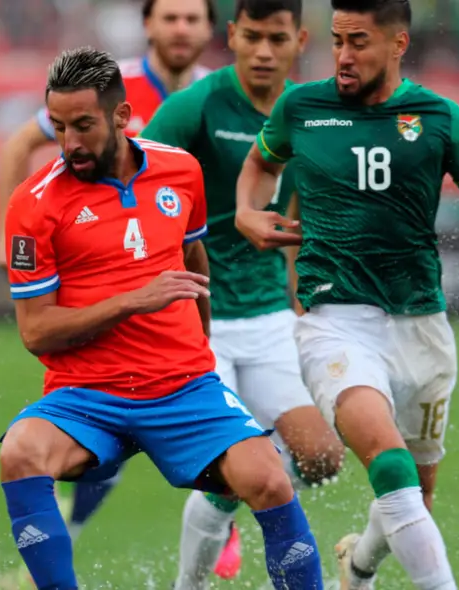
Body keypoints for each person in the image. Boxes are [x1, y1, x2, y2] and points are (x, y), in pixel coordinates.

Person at [234, 1, 459, 588]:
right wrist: (246, 212)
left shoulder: (437, 117)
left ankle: (359, 564)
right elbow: (259, 164)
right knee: (390, 468)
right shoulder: (302, 107)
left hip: (420, 324)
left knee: (416, 494)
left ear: (397, 44)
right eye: (338, 41)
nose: (343, 56)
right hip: (334, 322)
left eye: (358, 42)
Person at [0, 47, 325, 590]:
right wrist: (131, 301)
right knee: (20, 452)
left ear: (121, 117)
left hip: (182, 388)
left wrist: (199, 357)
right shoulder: (33, 204)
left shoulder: (180, 171)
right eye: (57, 127)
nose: (70, 143)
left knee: (269, 478)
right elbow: (35, 331)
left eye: (83, 125)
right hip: (87, 394)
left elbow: (194, 263)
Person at [139, 0, 344, 587]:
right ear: (230, 36)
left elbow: (300, 223)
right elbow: (135, 185)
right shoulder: (195, 108)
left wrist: (309, 304)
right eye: (251, 36)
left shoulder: (312, 115)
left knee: (322, 459)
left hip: (270, 319)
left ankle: (229, 506)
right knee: (233, 472)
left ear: (299, 40)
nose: (263, 50)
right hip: (201, 326)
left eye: (276, 38)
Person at [0, 0, 217, 266]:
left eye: (192, 20)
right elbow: (18, 144)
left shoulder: (220, 96)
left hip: (193, 254)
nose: (181, 30)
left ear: (209, 28)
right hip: (103, 256)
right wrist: (6, 241)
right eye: (170, 19)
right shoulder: (109, 84)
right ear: (148, 25)